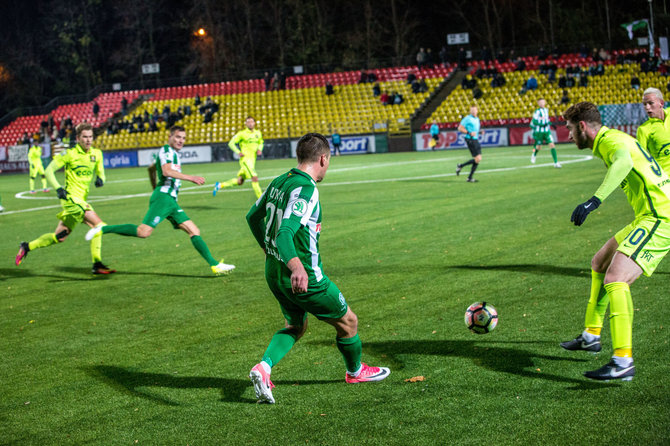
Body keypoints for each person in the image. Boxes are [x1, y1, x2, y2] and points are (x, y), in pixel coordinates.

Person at [245, 133, 390, 404]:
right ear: (323, 158)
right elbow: (285, 233)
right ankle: (356, 371)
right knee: (349, 322)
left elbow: (252, 216)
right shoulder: (307, 189)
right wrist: (297, 265)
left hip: (274, 272)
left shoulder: (279, 181)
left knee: (295, 325)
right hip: (305, 278)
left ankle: (263, 367)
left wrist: (268, 251)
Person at [560, 101, 670, 381]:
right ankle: (591, 336)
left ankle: (623, 361)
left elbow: (623, 161)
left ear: (583, 126)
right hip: (649, 213)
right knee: (600, 262)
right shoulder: (612, 139)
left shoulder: (610, 141)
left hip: (661, 216)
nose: (568, 135)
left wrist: (593, 202)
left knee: (616, 278)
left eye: (570, 129)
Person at [84, 126, 235, 276]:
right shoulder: (166, 151)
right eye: (177, 137)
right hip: (164, 199)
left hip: (168, 200)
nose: (180, 140)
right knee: (143, 232)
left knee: (193, 230)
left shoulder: (172, 154)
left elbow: (151, 169)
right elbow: (166, 171)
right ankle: (102, 229)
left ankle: (215, 265)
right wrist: (191, 178)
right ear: (170, 137)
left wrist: (154, 187)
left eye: (183, 138)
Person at [15, 122, 115, 274]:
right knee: (99, 225)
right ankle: (97, 263)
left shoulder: (97, 154)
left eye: (90, 137)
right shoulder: (69, 154)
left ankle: (27, 246)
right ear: (78, 138)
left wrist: (101, 179)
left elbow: (101, 172)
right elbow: (49, 170)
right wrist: (58, 188)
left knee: (59, 237)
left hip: (81, 200)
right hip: (71, 200)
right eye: (85, 137)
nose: (88, 140)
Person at [212, 116, 264, 199]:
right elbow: (231, 143)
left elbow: (261, 142)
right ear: (246, 124)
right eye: (248, 122)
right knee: (254, 178)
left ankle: (220, 185)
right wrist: (238, 152)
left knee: (240, 181)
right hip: (245, 160)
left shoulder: (258, 133)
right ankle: (262, 200)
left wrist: (259, 149)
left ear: (254, 123)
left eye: (252, 122)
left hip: (252, 160)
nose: (250, 123)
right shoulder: (242, 133)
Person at [636, 87, 670, 172]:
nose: (647, 107)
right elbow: (640, 159)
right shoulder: (643, 129)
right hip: (665, 179)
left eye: (651, 103)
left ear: (661, 103)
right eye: (644, 104)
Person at [530, 98, 561, 168]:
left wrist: (551, 124)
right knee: (538, 147)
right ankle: (534, 155)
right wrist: (541, 125)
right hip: (539, 132)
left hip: (547, 132)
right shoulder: (537, 112)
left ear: (545, 102)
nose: (541, 103)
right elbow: (534, 121)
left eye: (543, 102)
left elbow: (546, 120)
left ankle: (556, 162)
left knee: (552, 145)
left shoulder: (546, 110)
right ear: (538, 103)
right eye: (540, 102)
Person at [455, 105, 482, 182]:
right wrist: (469, 133)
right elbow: (460, 128)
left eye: (474, 110)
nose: (473, 112)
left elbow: (474, 130)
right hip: (470, 139)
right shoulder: (467, 118)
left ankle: (462, 168)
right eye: (472, 110)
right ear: (470, 111)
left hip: (475, 139)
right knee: (478, 159)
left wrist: (479, 132)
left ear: (477, 111)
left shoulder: (477, 119)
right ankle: (469, 177)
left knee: (477, 159)